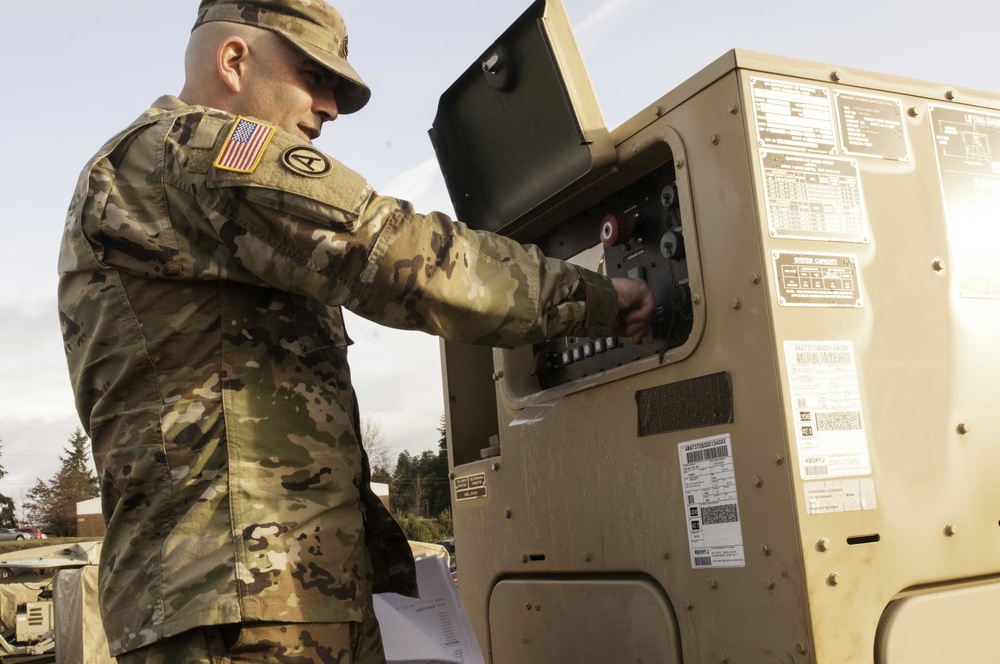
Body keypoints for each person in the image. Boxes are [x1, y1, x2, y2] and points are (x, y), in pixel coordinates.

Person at [57, 1, 655, 662]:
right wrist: (600, 297)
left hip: (264, 599)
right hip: (245, 609)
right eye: (314, 77)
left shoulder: (176, 189)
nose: (331, 107)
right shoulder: (192, 151)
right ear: (234, 61)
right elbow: (396, 253)